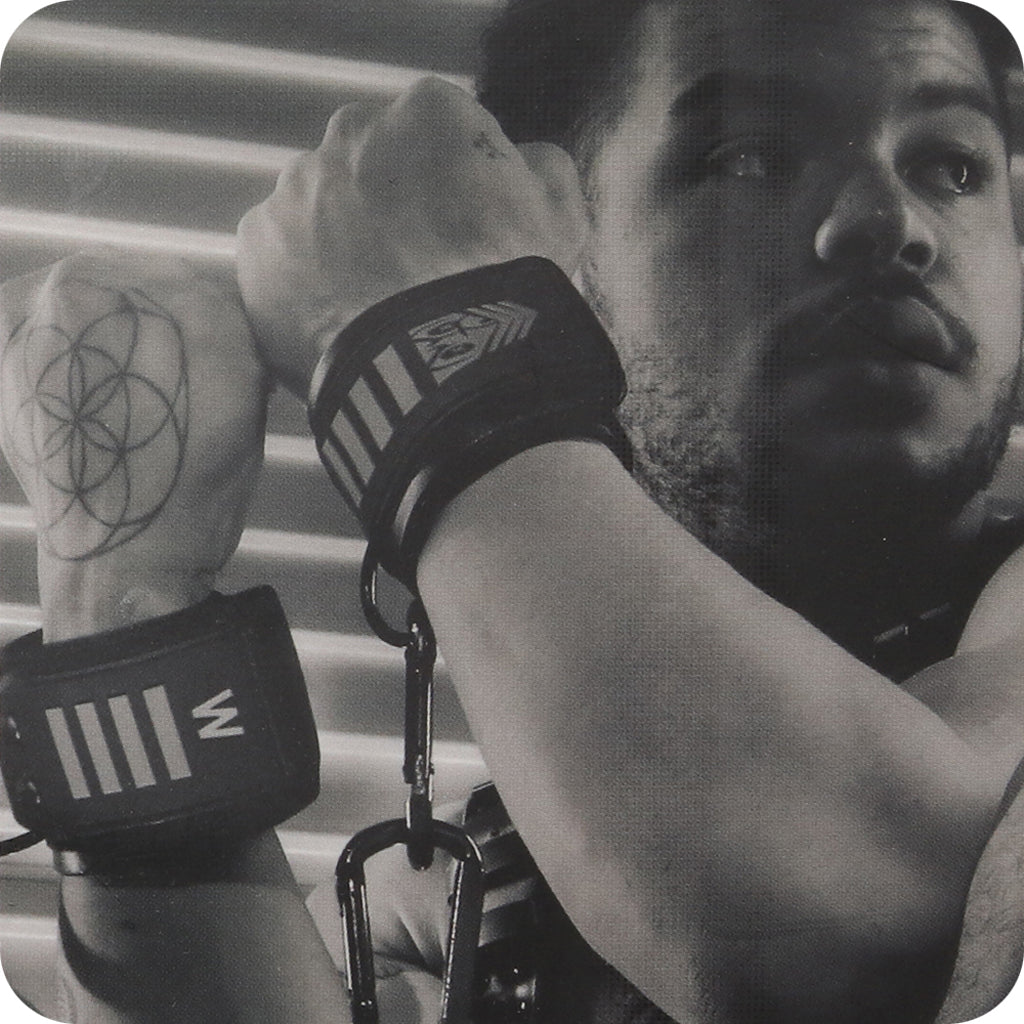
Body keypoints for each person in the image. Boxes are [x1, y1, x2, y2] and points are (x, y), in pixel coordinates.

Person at [0, 1, 1022, 1023]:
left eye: (953, 165)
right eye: (750, 157)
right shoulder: (452, 893)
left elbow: (854, 938)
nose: (886, 222)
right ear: (561, 257)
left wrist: (434, 338)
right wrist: (121, 595)